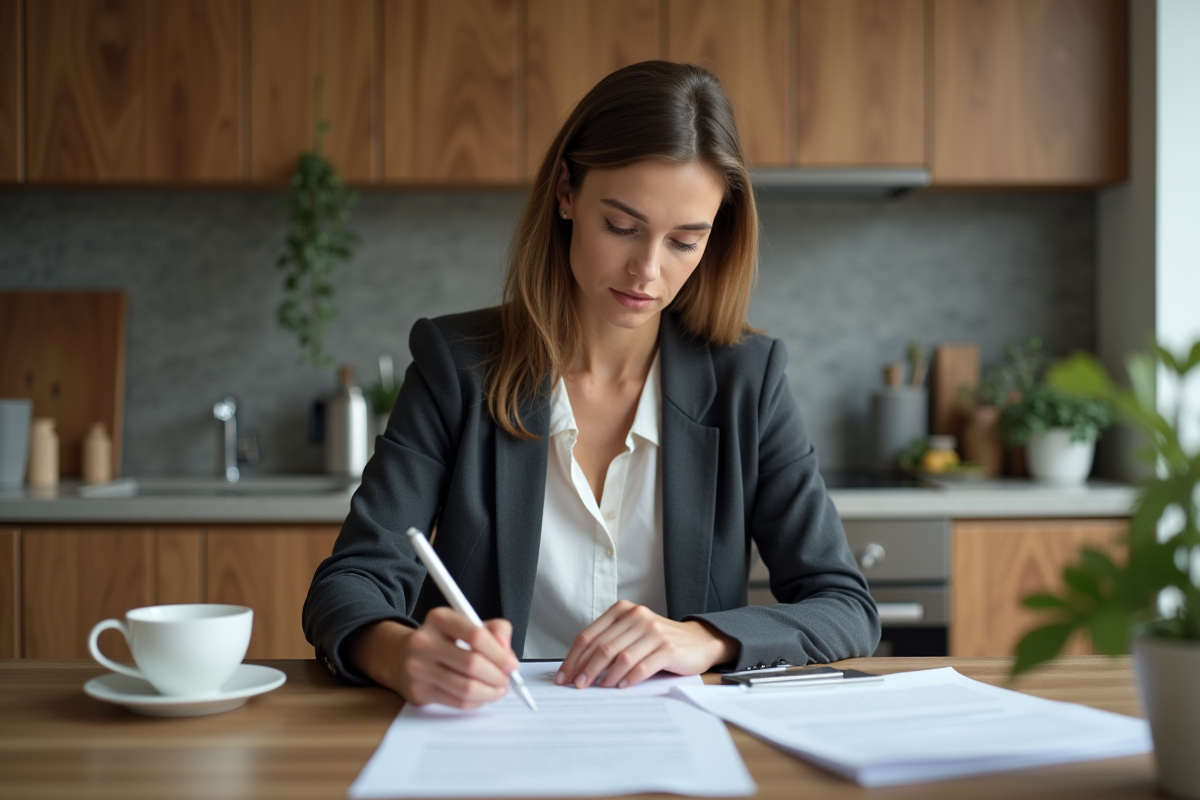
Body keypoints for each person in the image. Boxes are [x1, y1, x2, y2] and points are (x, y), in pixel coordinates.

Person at [303, 60, 879, 709]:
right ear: (566, 191)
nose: (648, 271)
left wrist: (703, 639)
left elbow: (846, 607)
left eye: (685, 241)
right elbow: (348, 585)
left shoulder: (747, 379)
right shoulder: (458, 367)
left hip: (680, 740)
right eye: (622, 226)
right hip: (490, 739)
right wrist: (402, 653)